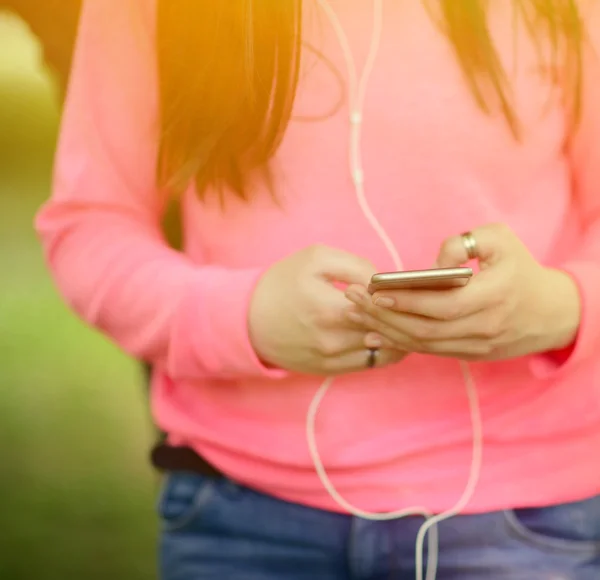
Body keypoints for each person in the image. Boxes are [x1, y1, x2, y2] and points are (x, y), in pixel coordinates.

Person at [35, 0, 600, 578]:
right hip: (240, 512)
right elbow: (89, 227)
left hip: (527, 515)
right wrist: (244, 319)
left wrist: (563, 306)